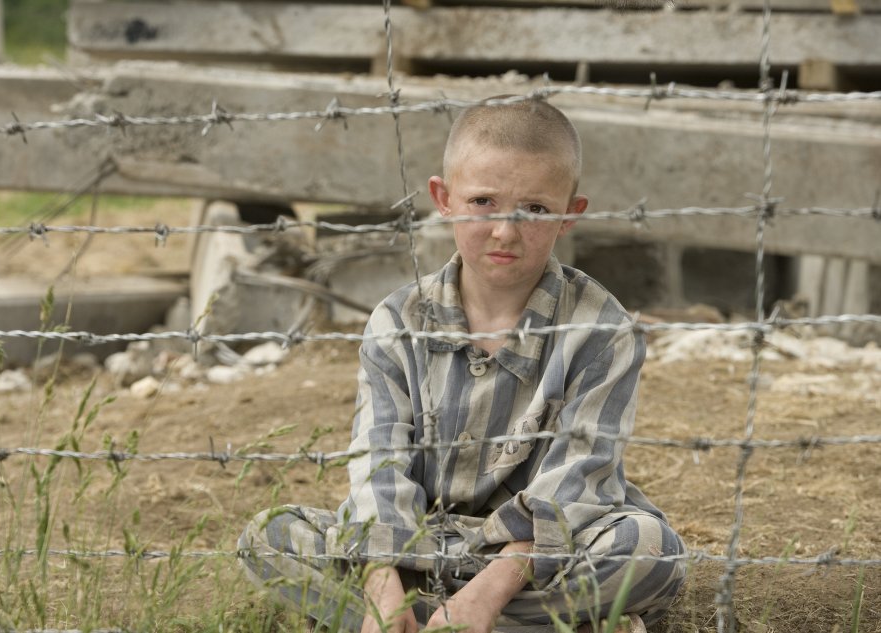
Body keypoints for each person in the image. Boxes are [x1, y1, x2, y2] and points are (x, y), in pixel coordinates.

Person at [239, 97, 686, 633]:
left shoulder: (601, 330)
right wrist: (384, 586)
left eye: (536, 209)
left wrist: (486, 596)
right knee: (271, 534)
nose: (505, 231)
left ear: (570, 214)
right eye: (482, 201)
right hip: (414, 547)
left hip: (537, 556)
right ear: (442, 198)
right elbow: (379, 462)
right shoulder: (397, 320)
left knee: (650, 550)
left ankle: (443, 623)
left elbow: (579, 479)